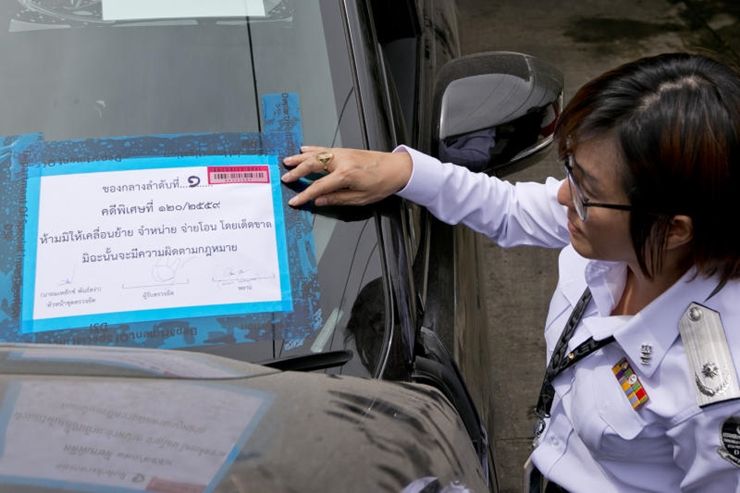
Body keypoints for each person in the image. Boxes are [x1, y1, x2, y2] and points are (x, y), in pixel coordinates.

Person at [281, 52, 740, 492]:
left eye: (586, 192)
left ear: (674, 230)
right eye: (570, 171)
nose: (563, 197)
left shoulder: (717, 388)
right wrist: (401, 170)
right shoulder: (615, 231)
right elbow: (509, 208)